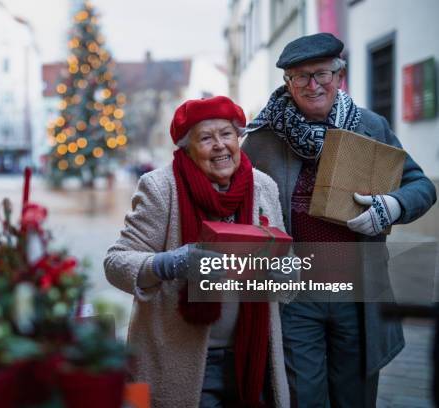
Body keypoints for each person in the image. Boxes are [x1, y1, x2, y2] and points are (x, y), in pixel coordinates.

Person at [243, 32, 437, 407]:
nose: (313, 85)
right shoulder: (263, 140)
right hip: (294, 295)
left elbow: (421, 187)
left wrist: (391, 206)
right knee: (303, 396)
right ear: (288, 83)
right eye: (301, 76)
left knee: (354, 395)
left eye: (322, 74)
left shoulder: (369, 126)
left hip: (357, 293)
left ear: (339, 76)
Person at [104, 96, 292, 408]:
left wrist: (284, 272)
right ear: (186, 148)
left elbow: (290, 263)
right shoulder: (160, 187)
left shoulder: (264, 187)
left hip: (252, 353)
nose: (219, 145)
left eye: (227, 134)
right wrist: (170, 263)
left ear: (238, 139)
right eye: (206, 138)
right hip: (183, 358)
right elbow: (115, 262)